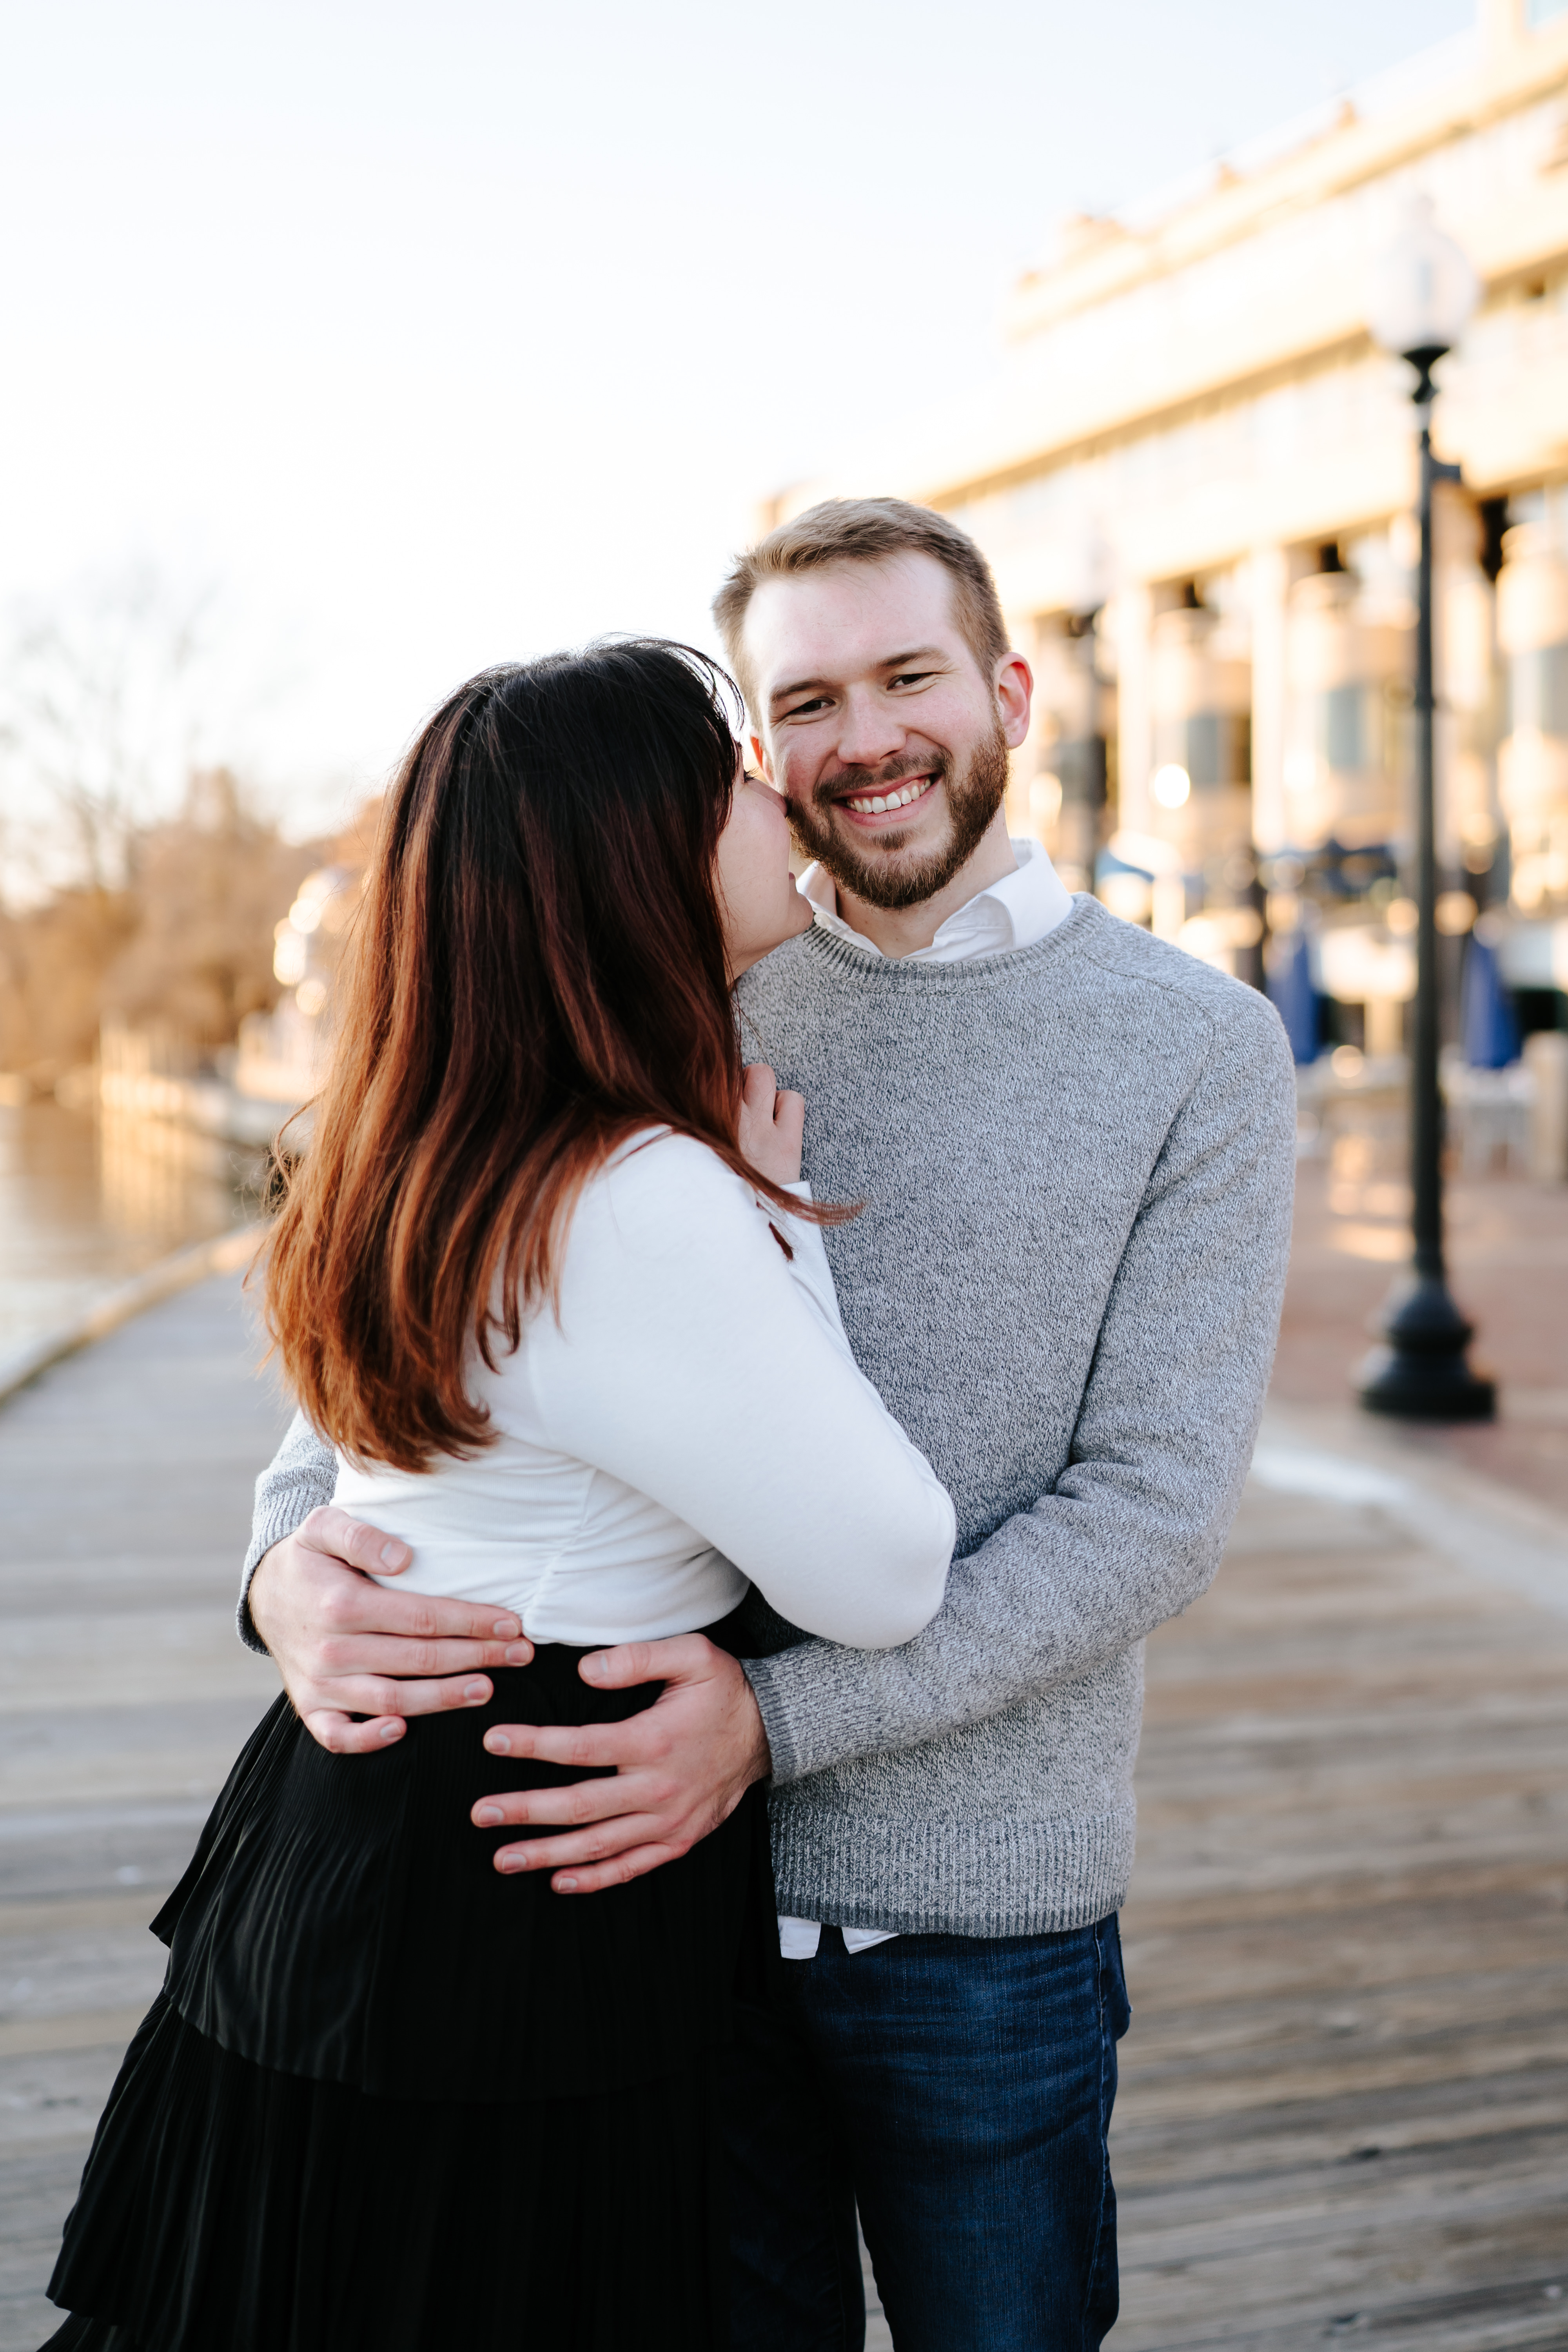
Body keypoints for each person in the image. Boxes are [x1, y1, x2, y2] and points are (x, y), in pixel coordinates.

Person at [238, 501, 1298, 2351]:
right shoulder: (674, 976)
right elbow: (422, 1328)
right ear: (757, 753)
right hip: (655, 1914)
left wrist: (773, 1725)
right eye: (804, 702)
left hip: (978, 1913)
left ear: (1011, 693)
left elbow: (1153, 1507)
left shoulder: (1194, 1048)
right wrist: (281, 1573)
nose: (863, 739)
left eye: (909, 678)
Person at [40, 640, 958, 2352]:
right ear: (642, 856)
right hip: (523, 1884)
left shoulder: (427, 1138)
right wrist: (780, 1221)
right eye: (735, 780)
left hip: (353, 1843)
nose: (777, 794)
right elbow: (886, 1571)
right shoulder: (639, 1194)